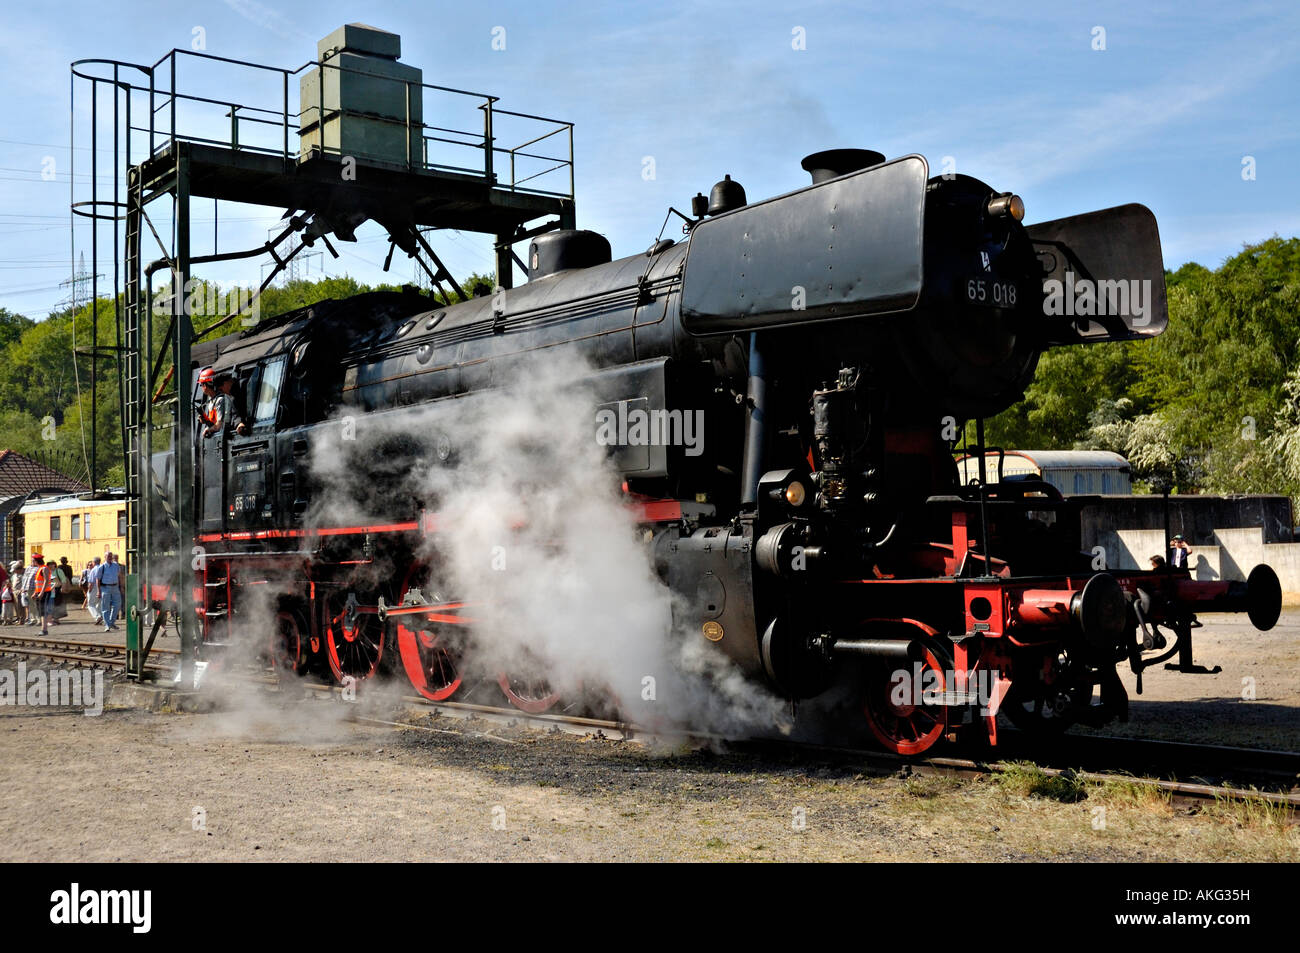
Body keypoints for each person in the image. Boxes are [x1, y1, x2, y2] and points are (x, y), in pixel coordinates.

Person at [95, 551, 125, 632]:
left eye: (111, 556)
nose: (110, 557)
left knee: (117, 605)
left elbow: (120, 576)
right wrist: (98, 591)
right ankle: (107, 625)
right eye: (108, 556)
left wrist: (121, 586)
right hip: (105, 587)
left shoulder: (116, 566)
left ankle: (111, 622)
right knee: (105, 607)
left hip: (115, 587)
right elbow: (98, 579)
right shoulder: (102, 567)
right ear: (104, 557)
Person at [198, 366, 229, 440]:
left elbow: (219, 426)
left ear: (205, 386)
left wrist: (209, 430)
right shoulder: (211, 401)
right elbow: (213, 422)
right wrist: (205, 420)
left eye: (201, 385)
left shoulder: (220, 400)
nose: (202, 387)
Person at [31, 554, 56, 635]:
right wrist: (35, 592)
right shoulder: (40, 569)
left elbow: (46, 581)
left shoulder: (44, 568)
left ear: (36, 561)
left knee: (43, 610)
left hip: (44, 592)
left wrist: (41, 593)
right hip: (40, 592)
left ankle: (44, 630)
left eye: (33, 560)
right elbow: (38, 583)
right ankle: (43, 629)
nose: (32, 562)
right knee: (41, 611)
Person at [20, 559, 39, 625]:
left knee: (35, 604)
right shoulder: (28, 568)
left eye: (34, 560)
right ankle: (33, 619)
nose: (32, 562)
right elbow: (24, 578)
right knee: (30, 604)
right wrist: (23, 587)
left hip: (35, 588)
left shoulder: (39, 568)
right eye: (32, 560)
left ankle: (38, 619)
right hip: (27, 588)